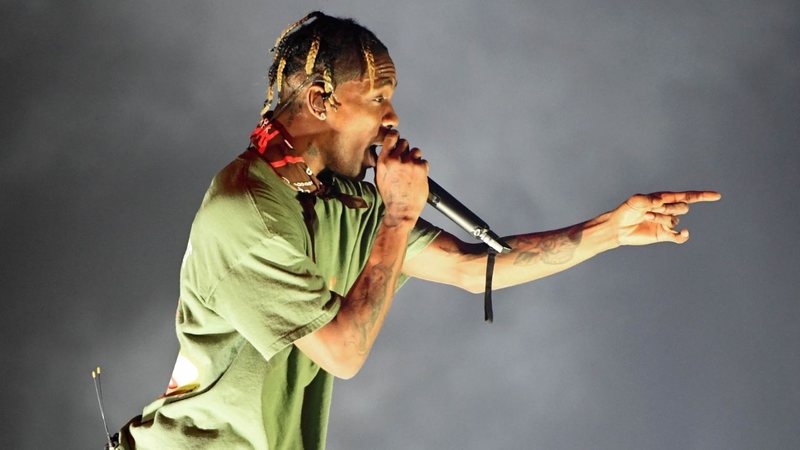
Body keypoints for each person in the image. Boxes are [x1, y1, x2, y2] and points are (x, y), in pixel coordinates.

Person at [114, 11, 720, 450]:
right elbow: (343, 352)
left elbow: (470, 267)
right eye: (378, 96)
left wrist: (610, 229)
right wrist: (400, 215)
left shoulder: (345, 202)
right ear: (322, 101)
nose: (393, 117)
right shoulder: (248, 209)